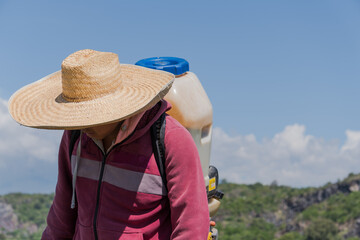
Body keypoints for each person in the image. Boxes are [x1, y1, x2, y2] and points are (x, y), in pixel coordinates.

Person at [8, 49, 209, 240]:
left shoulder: (171, 140)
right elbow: (61, 216)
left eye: (89, 115)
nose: (82, 123)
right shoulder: (74, 137)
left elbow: (191, 228)